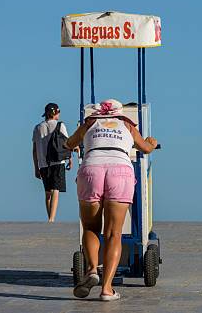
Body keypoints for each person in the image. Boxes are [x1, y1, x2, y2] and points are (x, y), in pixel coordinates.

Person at [65, 99, 158, 301]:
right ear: (119, 111)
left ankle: (91, 269)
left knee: (90, 228)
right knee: (114, 233)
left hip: (92, 168)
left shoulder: (90, 122)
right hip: (120, 170)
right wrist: (152, 143)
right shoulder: (127, 124)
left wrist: (78, 141)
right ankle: (106, 289)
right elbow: (146, 148)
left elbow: (69, 143)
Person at [32, 103, 74, 223]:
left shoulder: (37, 127)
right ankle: (52, 219)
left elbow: (34, 150)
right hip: (57, 161)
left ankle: (49, 217)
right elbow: (67, 144)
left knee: (47, 192)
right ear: (55, 113)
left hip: (43, 163)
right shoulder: (60, 125)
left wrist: (36, 167)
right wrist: (70, 159)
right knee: (56, 189)